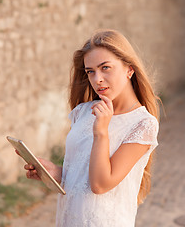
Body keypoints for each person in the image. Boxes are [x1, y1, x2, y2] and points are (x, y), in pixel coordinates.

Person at [23, 29, 160, 227]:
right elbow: (82, 176)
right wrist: (56, 172)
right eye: (90, 72)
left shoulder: (142, 124)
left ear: (129, 70)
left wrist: (101, 131)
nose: (98, 79)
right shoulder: (83, 112)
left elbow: (100, 184)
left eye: (106, 68)